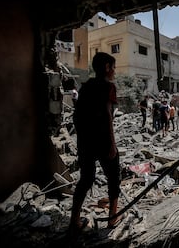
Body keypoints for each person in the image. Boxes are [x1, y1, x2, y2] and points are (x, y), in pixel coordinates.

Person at [69, 52, 121, 239]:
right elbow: (108, 116)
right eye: (113, 67)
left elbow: (77, 116)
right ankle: (113, 218)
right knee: (114, 177)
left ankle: (74, 219)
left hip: (85, 141)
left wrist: (82, 141)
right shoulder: (108, 87)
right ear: (107, 67)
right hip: (102, 140)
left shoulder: (86, 86)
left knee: (86, 179)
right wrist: (112, 145)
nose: (114, 71)